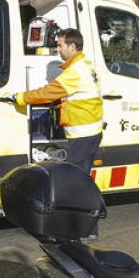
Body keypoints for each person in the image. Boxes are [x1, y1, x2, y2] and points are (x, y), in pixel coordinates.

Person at [12, 27, 104, 173]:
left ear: (72, 47)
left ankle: (79, 196)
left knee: (76, 177)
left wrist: (20, 97)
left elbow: (47, 93)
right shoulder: (86, 64)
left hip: (82, 134)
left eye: (60, 45)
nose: (58, 49)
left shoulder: (75, 71)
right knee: (82, 174)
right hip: (91, 131)